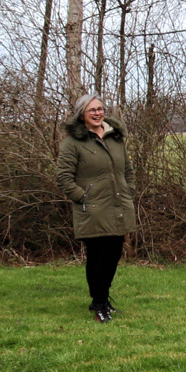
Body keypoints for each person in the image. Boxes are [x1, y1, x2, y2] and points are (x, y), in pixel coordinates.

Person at [55, 93, 135, 322]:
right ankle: (98, 302)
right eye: (92, 110)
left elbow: (127, 170)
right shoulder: (72, 143)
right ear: (82, 115)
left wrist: (130, 190)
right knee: (98, 257)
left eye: (100, 109)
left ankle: (103, 298)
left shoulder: (116, 138)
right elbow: (63, 178)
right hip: (93, 209)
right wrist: (84, 198)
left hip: (118, 206)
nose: (98, 113)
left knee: (112, 255)